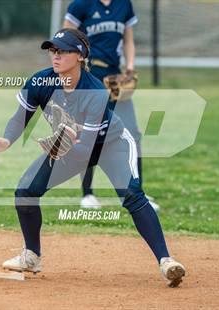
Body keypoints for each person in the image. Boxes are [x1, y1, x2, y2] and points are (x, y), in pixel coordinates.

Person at [0, 28, 185, 287]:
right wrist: (7, 139)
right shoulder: (41, 82)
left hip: (112, 145)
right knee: (25, 192)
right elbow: (20, 118)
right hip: (72, 145)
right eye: (52, 51)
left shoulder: (94, 91)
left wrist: (58, 144)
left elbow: (84, 150)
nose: (55, 56)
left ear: (80, 55)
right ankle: (31, 256)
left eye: (62, 51)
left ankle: (166, 261)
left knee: (132, 196)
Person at [64, 0, 160, 211]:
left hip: (115, 79)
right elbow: (64, 42)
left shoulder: (123, 4)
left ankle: (137, 194)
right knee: (89, 134)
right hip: (89, 77)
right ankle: (87, 194)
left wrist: (131, 69)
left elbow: (128, 40)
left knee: (132, 134)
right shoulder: (81, 5)